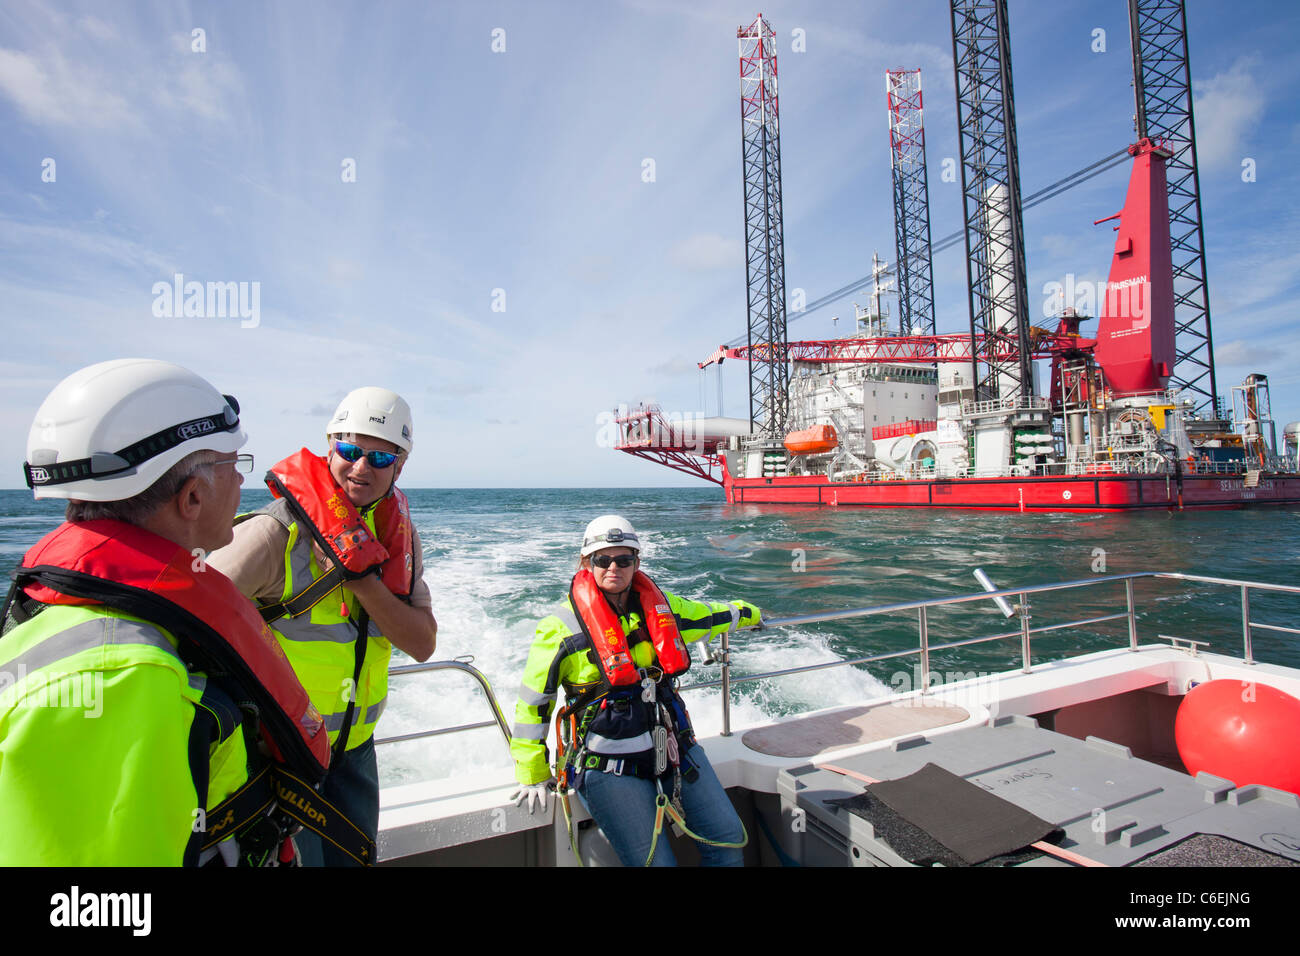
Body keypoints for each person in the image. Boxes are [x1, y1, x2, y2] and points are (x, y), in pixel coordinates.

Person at [0, 358, 333, 865]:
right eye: (234, 466)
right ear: (193, 496)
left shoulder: (106, 617)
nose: (244, 486)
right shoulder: (122, 678)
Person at [206, 386, 436, 866]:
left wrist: (364, 583)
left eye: (378, 458)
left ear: (400, 465)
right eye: (348, 451)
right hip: (281, 756)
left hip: (354, 754)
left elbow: (422, 643)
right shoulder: (276, 531)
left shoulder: (400, 538)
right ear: (329, 446)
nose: (360, 468)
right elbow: (195, 611)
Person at [509, 514, 763, 866]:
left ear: (636, 563)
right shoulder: (558, 629)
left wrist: (748, 613)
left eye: (624, 559)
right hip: (608, 765)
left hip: (674, 749)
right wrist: (533, 773)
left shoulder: (662, 609)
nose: (614, 567)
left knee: (728, 842)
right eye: (603, 559)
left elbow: (708, 617)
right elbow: (533, 705)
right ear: (587, 563)